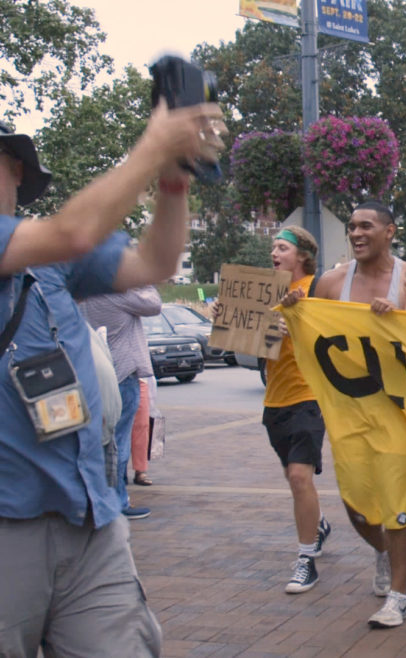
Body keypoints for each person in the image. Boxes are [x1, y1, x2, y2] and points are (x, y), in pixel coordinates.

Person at [1, 104, 225, 656]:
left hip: (87, 517)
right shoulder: (59, 241)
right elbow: (76, 230)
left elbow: (156, 263)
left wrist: (174, 179)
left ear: (16, 171)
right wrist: (153, 146)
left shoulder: (46, 259)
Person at [297, 201, 406, 627]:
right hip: (349, 413)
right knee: (357, 506)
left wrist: (401, 316)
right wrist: (293, 321)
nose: (356, 233)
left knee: (398, 502)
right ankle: (382, 549)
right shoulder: (331, 282)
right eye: (352, 227)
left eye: (366, 226)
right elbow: (314, 340)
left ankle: (399, 593)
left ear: (390, 231)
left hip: (397, 411)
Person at [219, 227, 333, 593]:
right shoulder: (265, 292)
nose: (274, 252)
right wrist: (231, 320)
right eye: (273, 247)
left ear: (302, 254)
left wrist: (297, 325)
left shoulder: (319, 289)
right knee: (295, 479)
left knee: (301, 476)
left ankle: (305, 560)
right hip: (274, 402)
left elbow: (337, 336)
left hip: (308, 397)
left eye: (282, 247)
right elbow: (240, 340)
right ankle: (317, 525)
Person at [79, 285, 162, 519]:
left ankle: (99, 498)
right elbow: (154, 304)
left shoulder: (85, 292)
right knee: (119, 442)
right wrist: (142, 279)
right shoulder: (117, 293)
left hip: (96, 372)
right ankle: (118, 502)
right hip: (123, 373)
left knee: (101, 440)